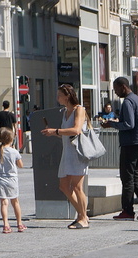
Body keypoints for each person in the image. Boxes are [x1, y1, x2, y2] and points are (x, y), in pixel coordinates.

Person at [102, 76, 138, 221]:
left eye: (116, 89)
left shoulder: (128, 102)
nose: (116, 93)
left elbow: (129, 124)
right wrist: (118, 122)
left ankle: (128, 211)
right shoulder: (137, 99)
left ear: (123, 87)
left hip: (131, 143)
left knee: (127, 178)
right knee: (134, 175)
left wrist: (111, 124)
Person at [41, 84, 90, 229]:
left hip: (77, 153)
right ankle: (82, 215)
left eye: (59, 95)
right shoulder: (65, 112)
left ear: (67, 96)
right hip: (67, 152)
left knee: (77, 187)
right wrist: (53, 133)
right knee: (63, 186)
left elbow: (76, 130)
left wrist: (56, 130)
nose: (57, 98)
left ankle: (83, 218)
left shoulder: (79, 109)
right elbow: (66, 134)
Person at [0, 128, 25, 234]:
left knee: (4, 203)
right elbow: (21, 165)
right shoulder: (14, 152)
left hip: (1, 179)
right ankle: (19, 224)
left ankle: (6, 225)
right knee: (15, 202)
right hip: (12, 179)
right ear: (11, 139)